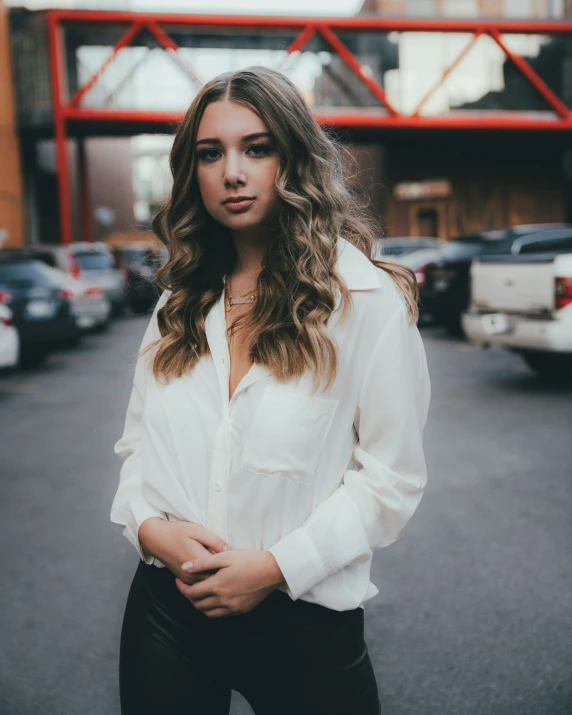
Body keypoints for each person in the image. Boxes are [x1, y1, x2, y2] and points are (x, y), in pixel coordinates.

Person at [110, 65, 431, 715]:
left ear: (295, 158)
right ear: (192, 171)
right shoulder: (179, 301)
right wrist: (148, 529)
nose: (232, 171)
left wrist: (277, 565)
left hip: (302, 619)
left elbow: (391, 479)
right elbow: (136, 445)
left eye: (257, 147)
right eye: (211, 152)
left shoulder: (363, 301)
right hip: (167, 609)